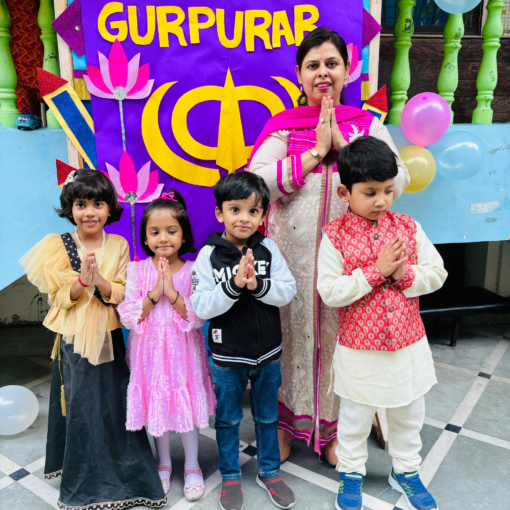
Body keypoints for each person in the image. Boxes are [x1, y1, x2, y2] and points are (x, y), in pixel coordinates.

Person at [248, 26, 411, 465]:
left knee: (347, 342)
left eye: (331, 63)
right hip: (291, 262)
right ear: (300, 75)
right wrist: (314, 153)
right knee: (289, 336)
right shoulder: (284, 127)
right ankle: (286, 426)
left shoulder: (367, 126)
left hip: (355, 263)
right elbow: (255, 183)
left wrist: (345, 149)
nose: (323, 73)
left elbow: (402, 177)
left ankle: (340, 431)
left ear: (347, 70)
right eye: (313, 65)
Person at [18, 169, 166, 509]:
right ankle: (85, 483)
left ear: (108, 208)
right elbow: (58, 298)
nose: (89, 212)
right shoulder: (57, 246)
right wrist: (79, 283)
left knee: (115, 404)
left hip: (109, 337)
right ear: (70, 207)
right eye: (81, 204)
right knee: (83, 407)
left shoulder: (118, 245)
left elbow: (122, 293)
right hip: (73, 341)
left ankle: (128, 476)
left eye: (98, 204)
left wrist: (98, 279)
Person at [317, 137, 446, 510]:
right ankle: (352, 473)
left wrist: (404, 273)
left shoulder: (408, 227)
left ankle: (405, 470)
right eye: (370, 192)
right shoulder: (335, 236)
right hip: (359, 347)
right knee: (356, 415)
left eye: (388, 191)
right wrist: (375, 272)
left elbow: (437, 273)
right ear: (345, 191)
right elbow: (329, 291)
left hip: (408, 345)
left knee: (409, 412)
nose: (381, 201)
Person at [191, 172, 297, 510]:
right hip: (227, 355)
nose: (244, 218)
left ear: (263, 216)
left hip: (267, 353)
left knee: (267, 416)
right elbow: (202, 307)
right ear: (220, 213)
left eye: (254, 211)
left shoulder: (268, 249)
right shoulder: (209, 255)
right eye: (235, 210)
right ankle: (231, 476)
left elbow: (288, 291)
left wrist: (257, 286)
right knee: (228, 418)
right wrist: (233, 286)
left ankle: (269, 471)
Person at [118, 189, 216, 501]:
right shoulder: (135, 270)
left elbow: (198, 314)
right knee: (156, 405)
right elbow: (129, 315)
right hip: (148, 355)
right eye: (155, 232)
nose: (163, 238)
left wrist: (172, 292)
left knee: (185, 404)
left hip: (184, 353)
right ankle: (162, 464)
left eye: (172, 231)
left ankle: (191, 466)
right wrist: (154, 292)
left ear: (184, 234)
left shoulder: (194, 270)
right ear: (145, 237)